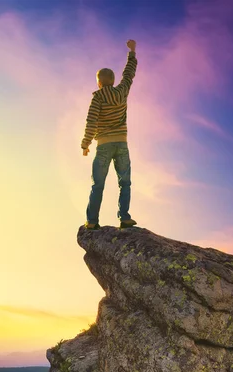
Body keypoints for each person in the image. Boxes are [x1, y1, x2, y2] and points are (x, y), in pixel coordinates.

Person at [81, 39, 138, 230]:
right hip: (121, 144)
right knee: (125, 182)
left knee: (97, 185)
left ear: (98, 83)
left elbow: (91, 121)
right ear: (113, 81)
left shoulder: (97, 97)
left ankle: (92, 221)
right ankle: (124, 217)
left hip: (104, 145)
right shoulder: (122, 92)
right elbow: (129, 74)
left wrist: (85, 143)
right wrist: (132, 52)